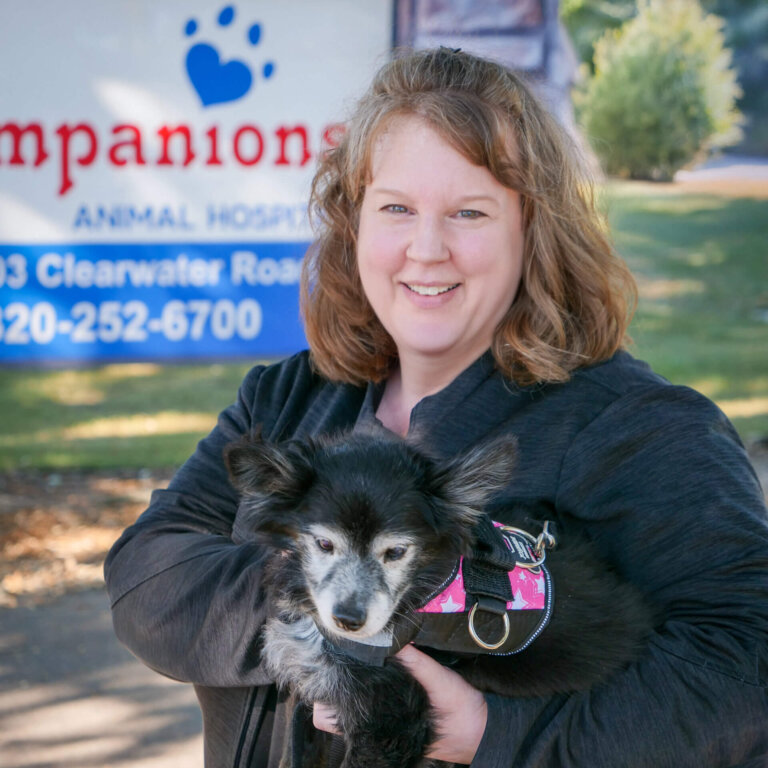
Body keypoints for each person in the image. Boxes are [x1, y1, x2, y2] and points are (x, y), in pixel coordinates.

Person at [104, 47, 768, 767]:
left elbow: (744, 658)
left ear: (533, 229)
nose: (427, 249)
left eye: (468, 212)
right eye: (395, 208)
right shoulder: (288, 396)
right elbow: (148, 578)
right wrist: (330, 603)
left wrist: (497, 736)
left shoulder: (640, 427)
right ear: (353, 221)